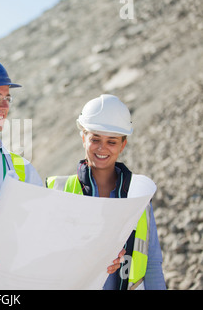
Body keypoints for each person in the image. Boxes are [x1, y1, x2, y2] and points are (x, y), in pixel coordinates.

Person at [0, 55, 124, 290]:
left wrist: (97, 256)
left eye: (7, 99)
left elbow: (46, 235)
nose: (3, 107)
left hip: (10, 285)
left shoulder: (22, 168)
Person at [46, 94, 166, 290]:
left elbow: (152, 263)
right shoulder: (58, 191)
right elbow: (45, 260)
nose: (102, 148)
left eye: (112, 141)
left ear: (123, 144)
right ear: (83, 137)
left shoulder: (138, 194)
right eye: (95, 139)